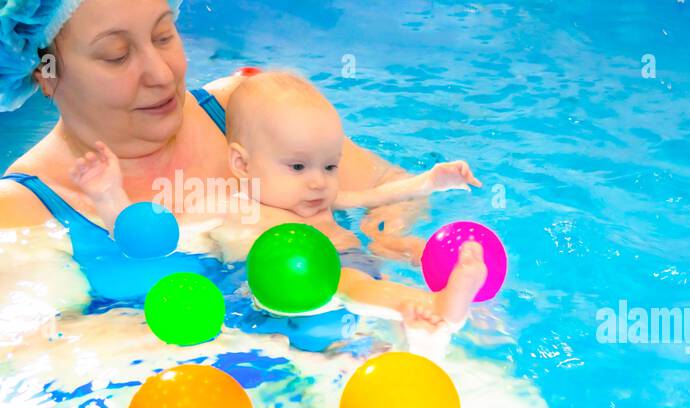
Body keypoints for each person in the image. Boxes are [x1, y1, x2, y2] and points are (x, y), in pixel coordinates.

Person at [0, 0, 451, 314]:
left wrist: (384, 230)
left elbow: (387, 186)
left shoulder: (247, 112)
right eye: (117, 56)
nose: (160, 74)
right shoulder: (20, 213)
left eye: (163, 35)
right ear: (46, 73)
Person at [68, 70, 488, 327]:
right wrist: (111, 199)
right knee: (349, 288)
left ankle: (428, 312)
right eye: (298, 167)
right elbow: (163, 235)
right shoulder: (230, 205)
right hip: (293, 288)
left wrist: (430, 181)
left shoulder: (324, 200)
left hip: (349, 264)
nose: (318, 183)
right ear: (243, 164)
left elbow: (377, 194)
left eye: (329, 166)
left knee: (373, 280)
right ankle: (433, 305)